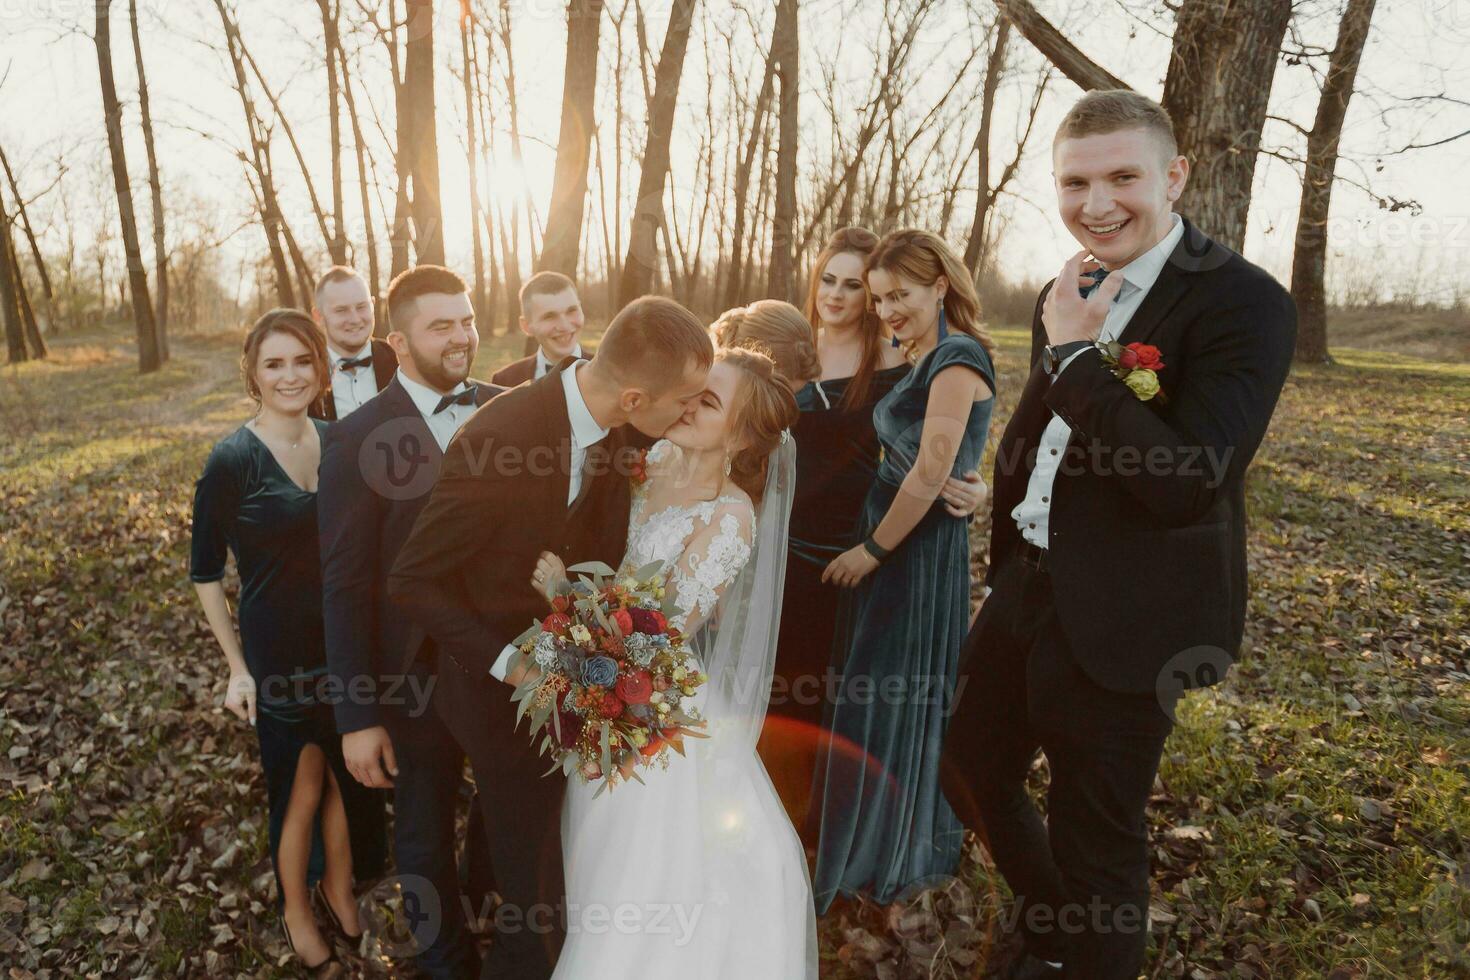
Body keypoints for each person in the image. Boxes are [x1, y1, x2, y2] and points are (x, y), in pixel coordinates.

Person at [941, 90, 1296, 980]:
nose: (1096, 204)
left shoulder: (1245, 304)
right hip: (1027, 589)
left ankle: (1086, 947)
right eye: (1074, 183)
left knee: (1098, 838)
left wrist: (1074, 358)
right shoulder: (1072, 285)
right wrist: (1006, 553)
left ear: (1175, 176)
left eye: (1123, 177)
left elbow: (1187, 484)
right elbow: (1042, 434)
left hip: (1135, 611)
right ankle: (1054, 925)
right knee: (967, 760)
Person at [387, 296, 714, 979]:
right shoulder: (498, 436)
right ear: (633, 395)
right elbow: (413, 581)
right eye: (683, 400)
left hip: (582, 682)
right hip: (493, 690)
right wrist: (510, 667)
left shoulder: (628, 432)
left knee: (540, 850)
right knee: (537, 883)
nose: (688, 412)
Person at [527, 346, 817, 979]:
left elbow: (658, 639)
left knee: (637, 879)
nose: (686, 405)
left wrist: (564, 600)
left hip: (649, 713)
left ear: (740, 436)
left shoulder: (731, 516)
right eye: (692, 390)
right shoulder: (648, 457)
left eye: (707, 402)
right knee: (593, 864)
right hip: (593, 691)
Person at [762, 228, 988, 842]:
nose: (836, 295)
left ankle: (833, 826)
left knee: (841, 696)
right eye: (827, 279)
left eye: (854, 284)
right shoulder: (786, 353)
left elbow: (932, 445)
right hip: (781, 543)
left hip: (857, 547)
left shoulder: (897, 361)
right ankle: (770, 823)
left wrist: (974, 484)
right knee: (781, 689)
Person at [318, 266, 503, 979]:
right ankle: (445, 962)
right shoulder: (357, 438)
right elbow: (343, 588)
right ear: (397, 340)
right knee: (422, 840)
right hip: (411, 679)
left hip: (500, 663)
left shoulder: (511, 412)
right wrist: (356, 714)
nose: (461, 337)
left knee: (506, 816)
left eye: (467, 320)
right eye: (441, 325)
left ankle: (502, 926)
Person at [190, 309, 388, 974]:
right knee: (300, 782)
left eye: (302, 360)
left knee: (340, 773)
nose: (290, 375)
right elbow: (204, 573)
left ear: (321, 366)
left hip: (341, 640)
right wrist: (235, 668)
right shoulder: (231, 460)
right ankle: (296, 909)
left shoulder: (338, 441)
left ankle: (339, 884)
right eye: (274, 363)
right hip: (275, 646)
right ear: (253, 372)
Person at [810, 229, 997, 913]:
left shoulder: (956, 356)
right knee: (870, 693)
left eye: (902, 295)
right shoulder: (921, 352)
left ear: (940, 286)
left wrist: (874, 551)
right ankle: (864, 841)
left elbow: (931, 467)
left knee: (889, 694)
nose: (887, 309)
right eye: (880, 296)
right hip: (896, 535)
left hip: (910, 553)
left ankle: (889, 853)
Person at [310, 266, 398, 421]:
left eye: (361, 307)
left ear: (372, 305)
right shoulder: (306, 373)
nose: (355, 319)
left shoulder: (401, 360)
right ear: (318, 317)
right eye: (341, 310)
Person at [492, 271, 592, 387]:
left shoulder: (612, 373)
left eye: (571, 311)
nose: (564, 326)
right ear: (526, 326)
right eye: (549, 316)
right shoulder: (505, 381)